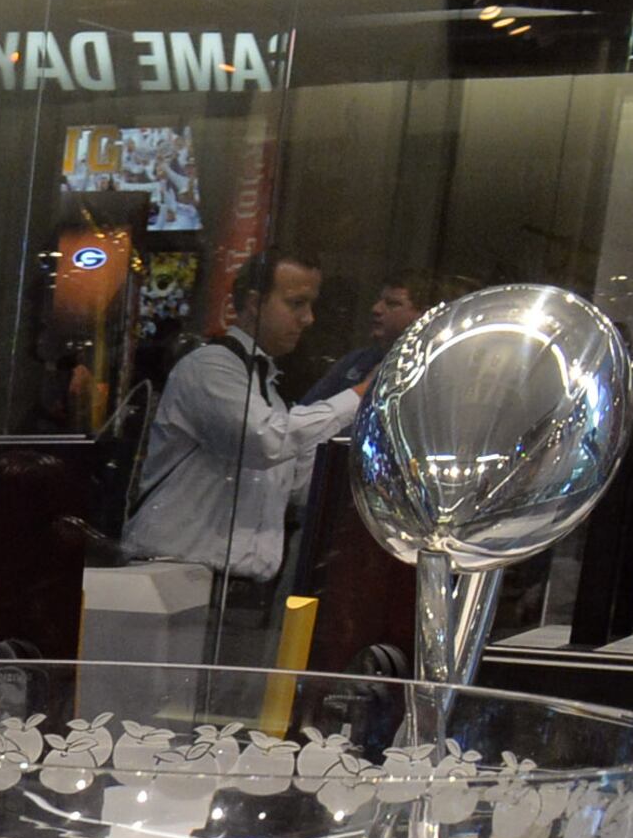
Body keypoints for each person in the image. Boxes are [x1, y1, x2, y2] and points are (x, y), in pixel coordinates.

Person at [119, 248, 364, 601]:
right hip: (173, 582)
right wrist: (356, 397)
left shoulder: (268, 392)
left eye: (311, 305)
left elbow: (296, 487)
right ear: (254, 303)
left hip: (236, 591)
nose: (308, 318)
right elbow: (263, 441)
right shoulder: (209, 367)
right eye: (296, 303)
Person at [306, 271, 431, 406]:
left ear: (423, 315)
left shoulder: (427, 372)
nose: (376, 309)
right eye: (379, 301)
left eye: (392, 304)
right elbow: (306, 410)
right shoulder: (356, 360)